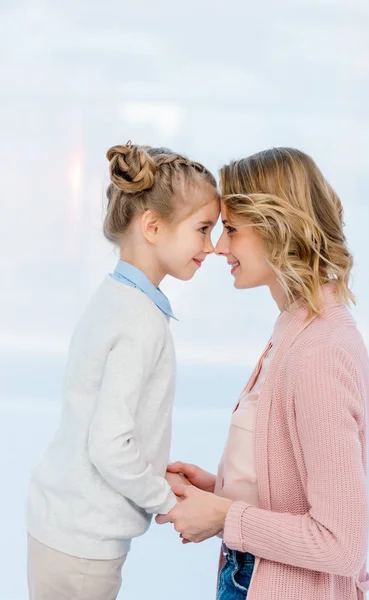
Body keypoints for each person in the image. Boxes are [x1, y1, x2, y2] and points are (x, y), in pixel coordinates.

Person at [159, 147, 369, 600]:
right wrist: (220, 492)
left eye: (232, 230)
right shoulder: (298, 330)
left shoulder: (319, 353)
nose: (218, 246)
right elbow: (295, 494)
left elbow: (340, 543)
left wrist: (222, 517)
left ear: (278, 229)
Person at [26, 141, 220, 600]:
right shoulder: (140, 322)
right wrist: (167, 501)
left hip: (61, 531)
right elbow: (111, 446)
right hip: (84, 550)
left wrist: (157, 476)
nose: (212, 247)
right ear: (152, 225)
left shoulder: (114, 299)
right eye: (204, 229)